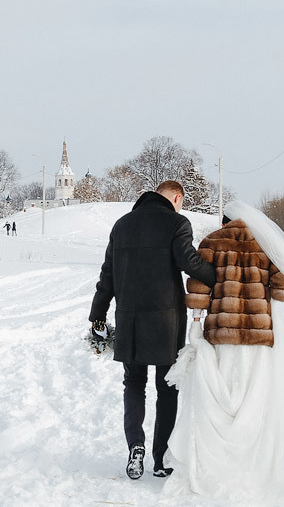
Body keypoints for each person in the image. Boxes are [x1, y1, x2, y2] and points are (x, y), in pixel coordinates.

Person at [166, 201, 284, 506]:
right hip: (258, 338)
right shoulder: (264, 247)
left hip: (223, 333)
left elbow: (199, 292)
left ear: (225, 219)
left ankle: (217, 460)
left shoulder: (213, 242)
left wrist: (197, 317)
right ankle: (253, 461)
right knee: (253, 400)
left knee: (222, 395)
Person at [89, 180, 217, 480]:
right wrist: (217, 278)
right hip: (166, 320)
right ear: (176, 197)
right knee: (166, 387)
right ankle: (162, 458)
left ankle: (135, 447)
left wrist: (97, 315)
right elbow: (189, 261)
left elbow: (107, 276)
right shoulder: (176, 222)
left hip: (129, 318)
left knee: (133, 384)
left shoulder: (121, 225)